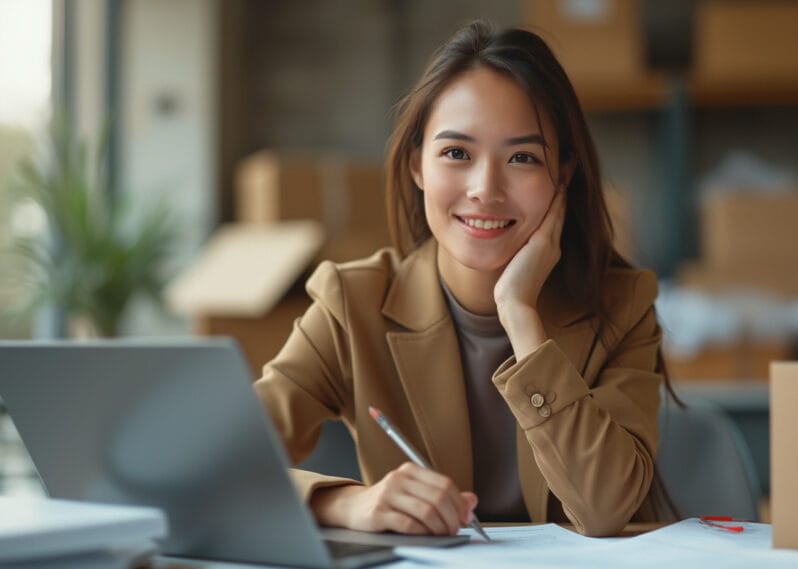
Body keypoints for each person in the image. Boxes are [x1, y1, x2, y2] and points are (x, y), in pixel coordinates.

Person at [254, 20, 676, 538]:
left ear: (563, 177)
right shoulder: (352, 302)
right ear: (417, 166)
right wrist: (343, 505)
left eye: (522, 158)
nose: (485, 188)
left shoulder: (623, 305)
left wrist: (519, 315)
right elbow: (220, 466)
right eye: (457, 153)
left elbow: (605, 508)